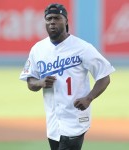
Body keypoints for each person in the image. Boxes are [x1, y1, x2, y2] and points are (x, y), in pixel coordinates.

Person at [20, 3, 115, 150]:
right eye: (49, 18)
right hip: (53, 122)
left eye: (57, 18)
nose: (52, 22)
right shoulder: (38, 49)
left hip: (75, 118)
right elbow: (30, 82)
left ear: (66, 21)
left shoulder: (82, 48)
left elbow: (104, 76)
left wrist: (89, 98)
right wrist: (40, 82)